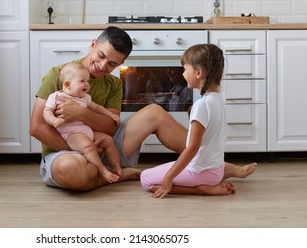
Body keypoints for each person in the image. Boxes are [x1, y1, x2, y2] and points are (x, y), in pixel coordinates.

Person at [29, 26, 257, 192]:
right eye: (101, 56)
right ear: (93, 45)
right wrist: (81, 149)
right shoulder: (59, 75)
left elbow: (110, 128)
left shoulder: (113, 83)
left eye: (112, 64)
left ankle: (211, 165)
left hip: (103, 145)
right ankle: (121, 174)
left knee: (155, 112)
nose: (102, 66)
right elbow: (37, 127)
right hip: (67, 151)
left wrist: (82, 114)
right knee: (72, 170)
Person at [140, 44, 252, 198]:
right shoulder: (216, 99)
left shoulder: (202, 105)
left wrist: (168, 178)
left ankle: (200, 189)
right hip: (216, 170)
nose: (183, 73)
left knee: (145, 179)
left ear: (198, 72)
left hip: (200, 173)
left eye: (185, 69)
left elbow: (192, 148)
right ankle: (210, 182)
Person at [43, 62, 123, 183]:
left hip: (87, 131)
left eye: (87, 81)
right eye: (82, 81)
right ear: (67, 84)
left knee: (108, 140)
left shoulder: (84, 97)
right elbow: (46, 111)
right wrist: (53, 120)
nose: (87, 84)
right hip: (72, 134)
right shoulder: (56, 97)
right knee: (89, 147)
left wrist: (110, 114)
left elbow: (97, 108)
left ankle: (116, 166)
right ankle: (103, 170)